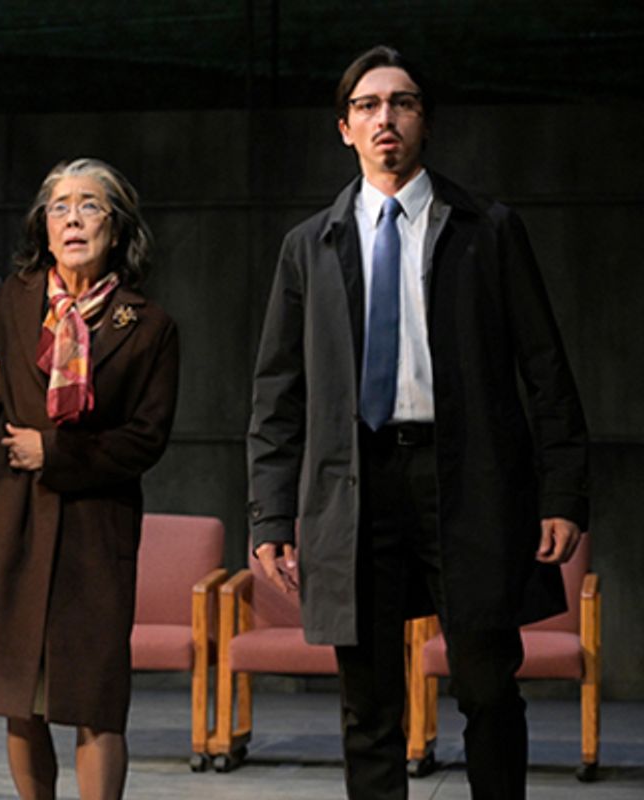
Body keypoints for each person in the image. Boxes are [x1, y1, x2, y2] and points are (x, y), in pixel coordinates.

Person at [247, 45, 589, 800]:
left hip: (467, 479)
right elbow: (278, 393)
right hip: (355, 485)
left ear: (425, 121)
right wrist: (270, 511)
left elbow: (546, 371)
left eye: (401, 103)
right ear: (344, 128)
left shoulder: (487, 229)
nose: (385, 119)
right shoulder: (310, 245)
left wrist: (563, 493)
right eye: (367, 106)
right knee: (368, 702)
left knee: (487, 686)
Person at [0, 158, 180, 800]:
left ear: (117, 229)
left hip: (95, 528)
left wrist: (56, 451)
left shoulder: (149, 326)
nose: (73, 219)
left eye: (90, 205)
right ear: (43, 227)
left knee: (96, 699)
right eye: (60, 207)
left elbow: (146, 438)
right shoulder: (13, 300)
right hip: (16, 518)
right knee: (20, 694)